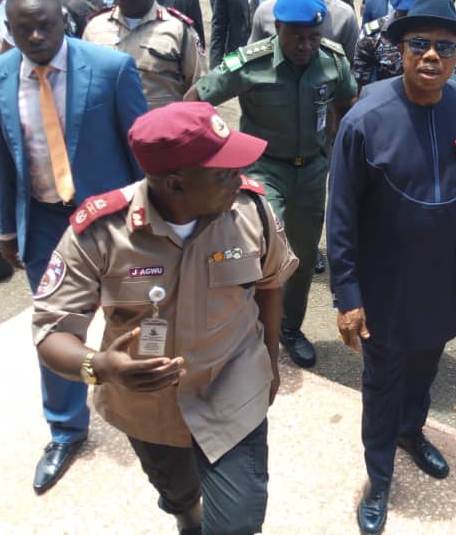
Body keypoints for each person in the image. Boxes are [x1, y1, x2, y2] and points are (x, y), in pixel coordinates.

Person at [31, 101, 297, 535]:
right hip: (148, 409)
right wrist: (99, 367)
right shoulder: (100, 232)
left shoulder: (251, 211)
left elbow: (270, 285)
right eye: (222, 173)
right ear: (175, 183)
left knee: (238, 523)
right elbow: (51, 331)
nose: (238, 178)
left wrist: (268, 364)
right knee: (178, 496)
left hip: (234, 392)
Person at [326, 0, 456, 535]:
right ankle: (378, 476)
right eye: (418, 44)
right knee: (382, 378)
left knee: (425, 365)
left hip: (440, 275)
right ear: (400, 50)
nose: (431, 56)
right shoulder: (367, 118)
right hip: (382, 281)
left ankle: (411, 431)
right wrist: (347, 297)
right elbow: (341, 216)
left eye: (444, 47)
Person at [0, 0, 146, 494]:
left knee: (139, 318)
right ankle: (66, 430)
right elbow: (1, 158)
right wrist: (6, 225)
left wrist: (156, 219)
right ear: (8, 30)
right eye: (23, 28)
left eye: (44, 24)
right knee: (56, 332)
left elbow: (142, 152)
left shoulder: (111, 69)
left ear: (63, 21)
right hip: (46, 225)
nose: (35, 35)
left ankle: (151, 410)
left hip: (113, 223)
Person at [192, 0, 357, 370]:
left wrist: (337, 151)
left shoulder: (332, 61)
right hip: (264, 169)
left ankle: (289, 328)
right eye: (297, 36)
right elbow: (197, 100)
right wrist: (212, 159)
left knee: (298, 256)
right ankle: (242, 328)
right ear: (277, 29)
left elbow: (346, 106)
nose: (306, 45)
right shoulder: (250, 63)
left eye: (313, 36)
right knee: (261, 247)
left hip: (313, 171)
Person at [82, 0, 204, 110]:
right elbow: (82, 78)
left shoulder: (177, 29)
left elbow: (198, 84)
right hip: (107, 123)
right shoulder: (96, 26)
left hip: (158, 126)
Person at [353, 0, 433, 89]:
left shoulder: (442, 33)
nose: (412, 21)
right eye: (405, 14)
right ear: (397, 8)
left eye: (419, 16)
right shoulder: (372, 34)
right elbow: (359, 82)